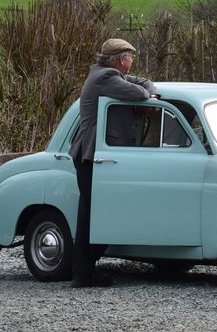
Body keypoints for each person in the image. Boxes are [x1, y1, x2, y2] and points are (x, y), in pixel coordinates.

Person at [67, 38, 158, 288]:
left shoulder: (105, 74)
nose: (131, 62)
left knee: (93, 210)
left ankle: (84, 269)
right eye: (130, 58)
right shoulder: (106, 78)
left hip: (93, 154)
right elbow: (138, 92)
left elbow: (142, 83)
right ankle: (83, 272)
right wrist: (148, 93)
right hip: (90, 153)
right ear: (121, 59)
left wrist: (148, 89)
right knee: (91, 212)